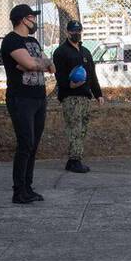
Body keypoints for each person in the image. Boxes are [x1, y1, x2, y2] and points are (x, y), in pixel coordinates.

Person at [0, 5, 53, 203]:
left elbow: (50, 67)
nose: (35, 21)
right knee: (25, 143)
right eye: (32, 17)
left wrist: (37, 63)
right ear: (23, 19)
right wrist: (38, 63)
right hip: (20, 98)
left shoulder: (32, 41)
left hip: (39, 97)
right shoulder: (11, 40)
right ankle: (18, 191)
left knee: (34, 144)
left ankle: (28, 188)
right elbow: (32, 65)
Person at [51, 19, 104, 173]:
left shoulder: (85, 52)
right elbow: (59, 75)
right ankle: (75, 160)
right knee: (74, 128)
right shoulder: (60, 52)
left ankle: (74, 160)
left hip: (85, 97)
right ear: (67, 32)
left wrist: (98, 94)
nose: (76, 34)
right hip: (70, 97)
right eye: (73, 31)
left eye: (79, 31)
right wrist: (69, 85)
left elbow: (92, 75)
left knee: (82, 129)